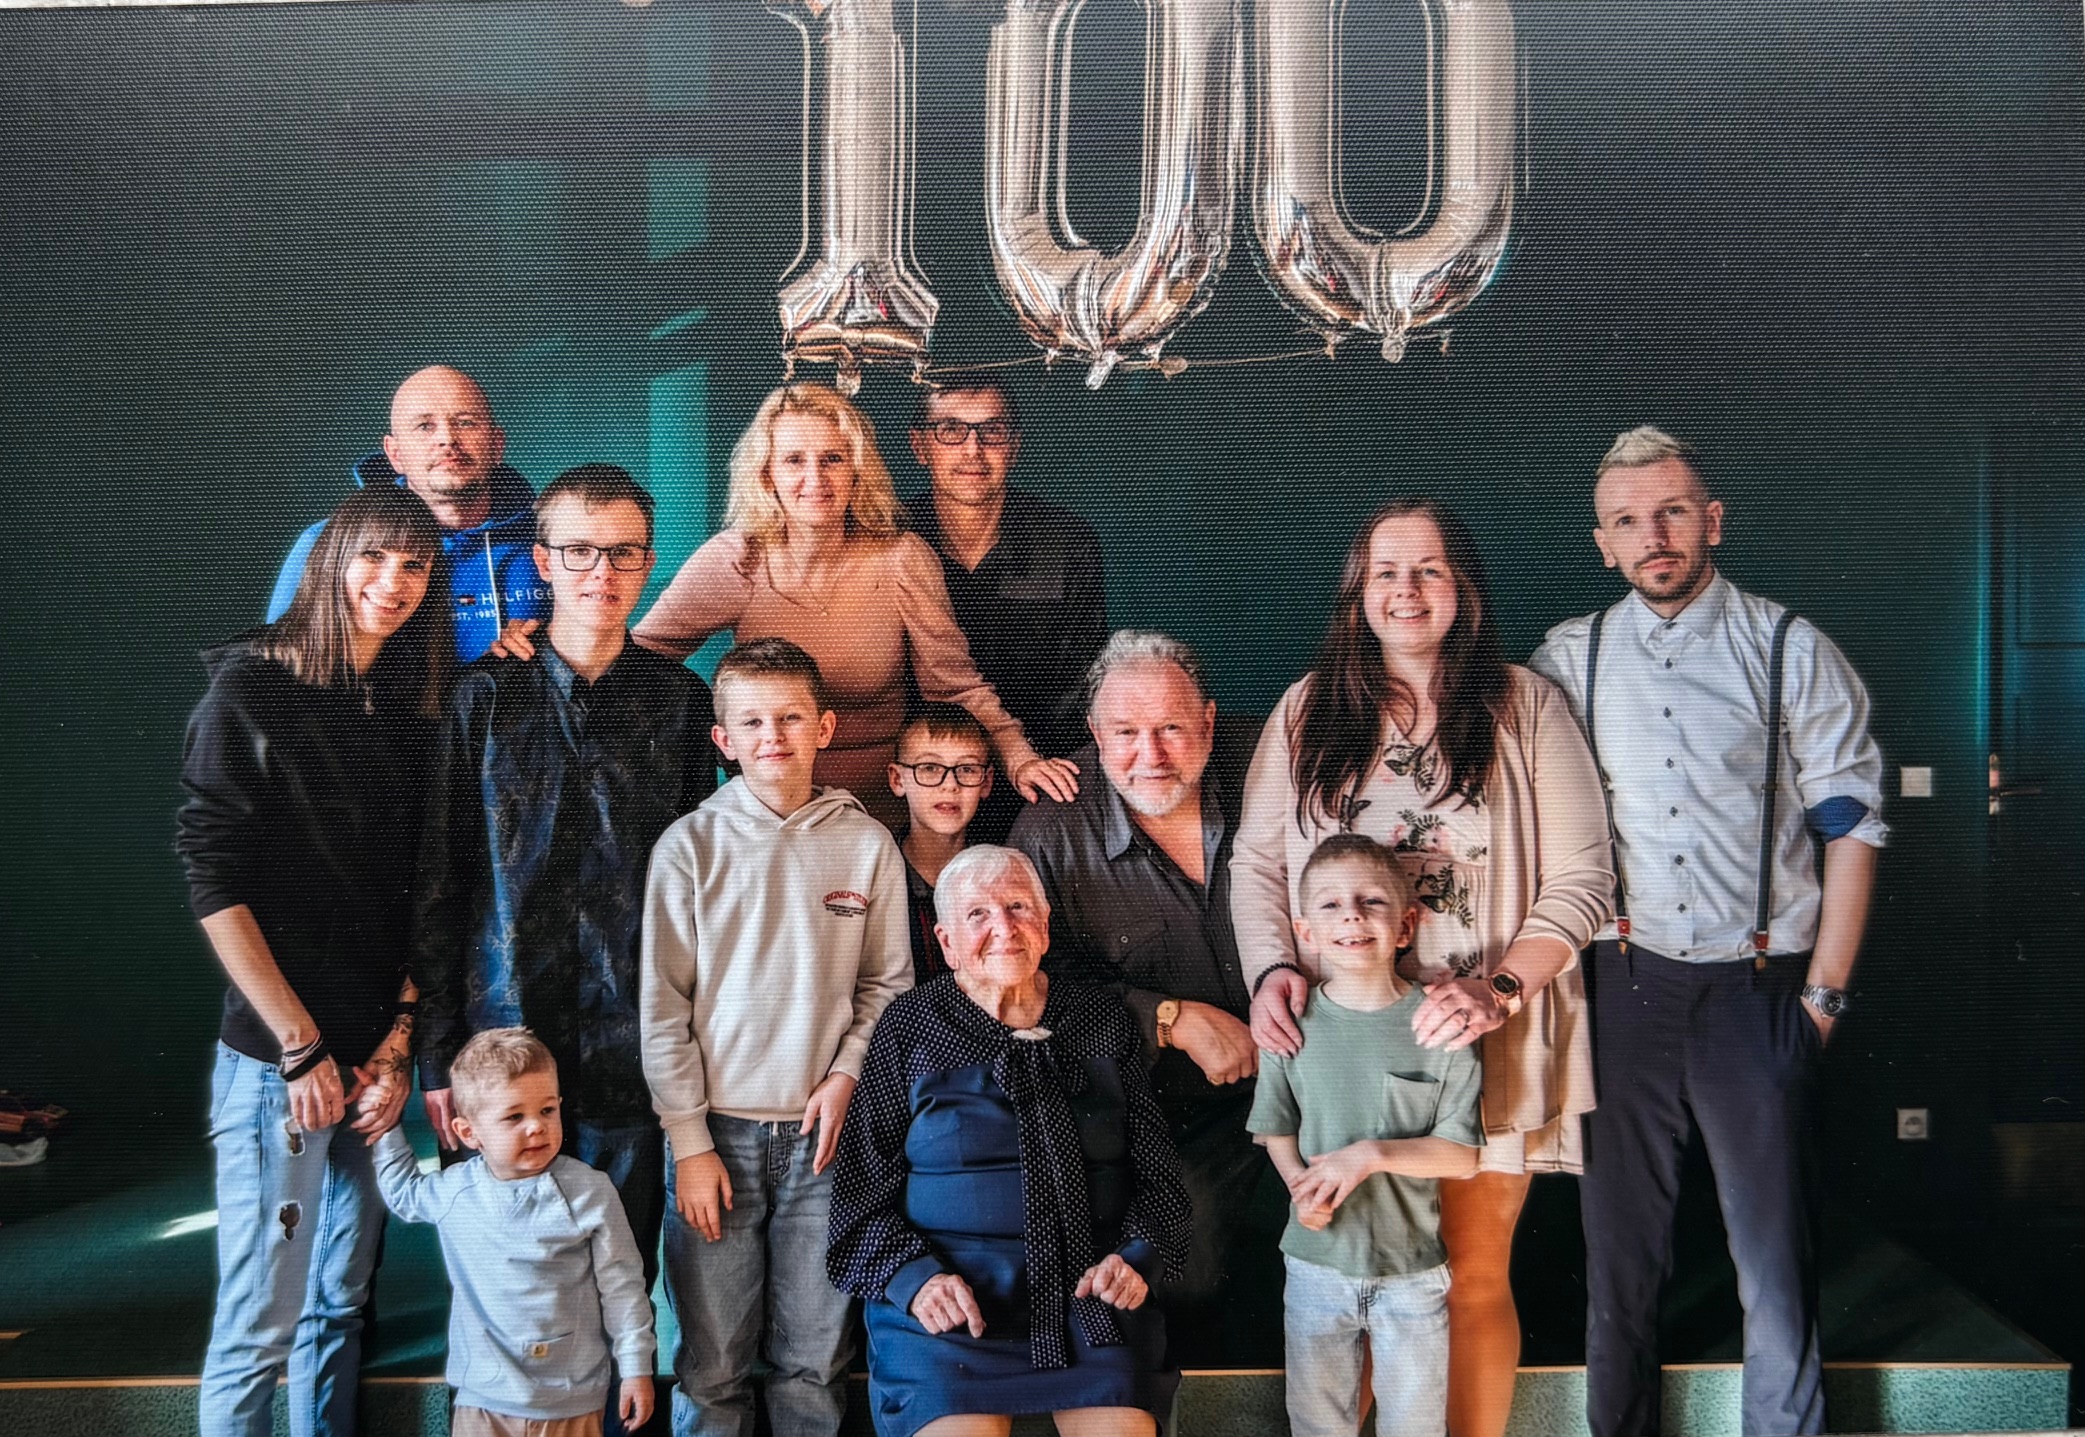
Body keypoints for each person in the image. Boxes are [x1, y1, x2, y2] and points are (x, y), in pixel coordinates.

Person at [1529, 427, 1887, 1437]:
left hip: (1758, 990)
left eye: (1672, 512)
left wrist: (1822, 999)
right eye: (1628, 521)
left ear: (1712, 521)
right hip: (1622, 987)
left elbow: (1853, 828)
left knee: (1773, 1262)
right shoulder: (1567, 658)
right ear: (1603, 544)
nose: (1653, 536)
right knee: (1619, 1263)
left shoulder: (1789, 648)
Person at [1236, 498, 1612, 1437]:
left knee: (1471, 1278)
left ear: (1463, 588)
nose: (1406, 590)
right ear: (1357, 592)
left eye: (1429, 569)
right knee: (1351, 1278)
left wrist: (1500, 988)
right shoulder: (1307, 708)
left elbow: (1583, 878)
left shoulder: (1524, 704)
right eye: (1386, 572)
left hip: (1486, 1038)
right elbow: (1257, 863)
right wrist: (1269, 968)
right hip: (1342, 1045)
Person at [410, 462, 715, 1430]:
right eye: (579, 550)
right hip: (502, 1039)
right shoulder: (482, 698)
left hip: (633, 1039)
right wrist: (438, 1054)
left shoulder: (679, 703)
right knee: (509, 1288)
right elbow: (441, 881)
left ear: (648, 562)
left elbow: (698, 892)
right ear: (542, 561)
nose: (601, 571)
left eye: (622, 552)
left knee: (621, 1285)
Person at [177, 486, 454, 1437]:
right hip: (280, 1065)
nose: (392, 582)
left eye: (415, 565)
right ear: (330, 560)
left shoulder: (416, 708)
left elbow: (426, 887)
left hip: (373, 1063)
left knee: (338, 1305)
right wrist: (300, 1046)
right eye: (373, 556)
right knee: (261, 1323)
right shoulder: (248, 688)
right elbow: (213, 880)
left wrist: (398, 1042)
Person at [640, 638, 913, 1437]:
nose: (773, 736)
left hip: (823, 1140)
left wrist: (848, 1072)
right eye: (752, 721)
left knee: (813, 1360)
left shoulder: (865, 844)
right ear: (722, 738)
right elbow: (662, 1006)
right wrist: (688, 1140)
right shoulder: (688, 848)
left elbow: (887, 984)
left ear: (823, 727)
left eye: (790, 717)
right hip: (714, 1141)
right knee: (712, 1365)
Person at [827, 845, 1192, 1437]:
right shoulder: (911, 1026)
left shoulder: (1099, 1019)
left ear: (1044, 925)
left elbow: (1160, 1181)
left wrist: (1136, 1261)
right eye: (978, 914)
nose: (1004, 927)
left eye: (1018, 907)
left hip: (1089, 1297)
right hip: (953, 1310)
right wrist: (916, 1281)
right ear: (947, 943)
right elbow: (857, 1198)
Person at [628, 382, 1077, 830]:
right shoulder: (737, 560)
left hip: (884, 817)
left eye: (833, 459)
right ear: (766, 474)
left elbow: (955, 688)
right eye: (794, 460)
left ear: (858, 470)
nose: (816, 478)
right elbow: (635, 661)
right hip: (773, 819)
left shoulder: (901, 557)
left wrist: (1020, 759)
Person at [1008, 631, 1276, 1365]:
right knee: (1181, 1277)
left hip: (1309, 1081)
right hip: (1170, 1114)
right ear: (1095, 736)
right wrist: (1168, 1018)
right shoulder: (1052, 832)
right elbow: (1035, 991)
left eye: (1171, 728)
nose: (1149, 754)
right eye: (1125, 732)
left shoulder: (1272, 769)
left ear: (1209, 722)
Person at [1247, 835, 1485, 1437]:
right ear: (1305, 931)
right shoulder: (1290, 1025)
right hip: (1315, 1265)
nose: (1351, 915)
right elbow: (1276, 1129)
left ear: (1406, 926)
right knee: (1318, 1424)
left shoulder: (1441, 1025)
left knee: (1416, 1426)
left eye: (1371, 901)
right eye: (1330, 905)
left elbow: (1461, 1156)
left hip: (1412, 1272)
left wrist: (1369, 1156)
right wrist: (1302, 1187)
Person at [373, 1029, 656, 1437]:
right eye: (514, 1117)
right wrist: (385, 1123)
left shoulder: (590, 1191)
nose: (536, 1127)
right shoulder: (456, 1192)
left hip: (571, 1402)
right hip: (483, 1403)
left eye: (547, 1110)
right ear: (468, 1133)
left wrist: (635, 1369)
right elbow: (402, 1191)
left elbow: (623, 1289)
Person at [905, 375, 1108, 839]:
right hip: (921, 787)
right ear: (920, 446)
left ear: (1014, 445)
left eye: (992, 431)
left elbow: (1083, 692)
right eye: (950, 430)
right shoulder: (888, 540)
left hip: (1039, 784)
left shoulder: (1067, 543)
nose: (973, 450)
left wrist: (1048, 792)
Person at [267, 365, 550, 662]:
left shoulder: (556, 541)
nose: (447, 439)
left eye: (466, 423)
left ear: (496, 445)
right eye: (424, 426)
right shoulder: (327, 543)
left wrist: (553, 642)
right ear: (395, 454)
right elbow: (278, 670)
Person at [888, 703, 996, 983]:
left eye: (967, 769)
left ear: (986, 782)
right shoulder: (881, 874)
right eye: (929, 768)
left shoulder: (997, 875)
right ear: (898, 779)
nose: (950, 784)